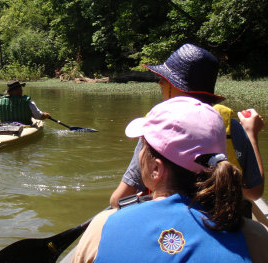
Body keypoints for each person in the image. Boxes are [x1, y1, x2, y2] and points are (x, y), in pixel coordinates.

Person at [72, 97, 268, 263]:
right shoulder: (256, 238)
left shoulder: (103, 228)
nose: (139, 155)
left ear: (156, 168)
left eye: (142, 147)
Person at [110, 43, 264, 207]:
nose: (160, 84)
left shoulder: (155, 129)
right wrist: (251, 134)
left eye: (164, 80)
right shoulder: (232, 128)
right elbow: (254, 192)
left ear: (178, 88)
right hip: (221, 217)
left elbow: (118, 200)